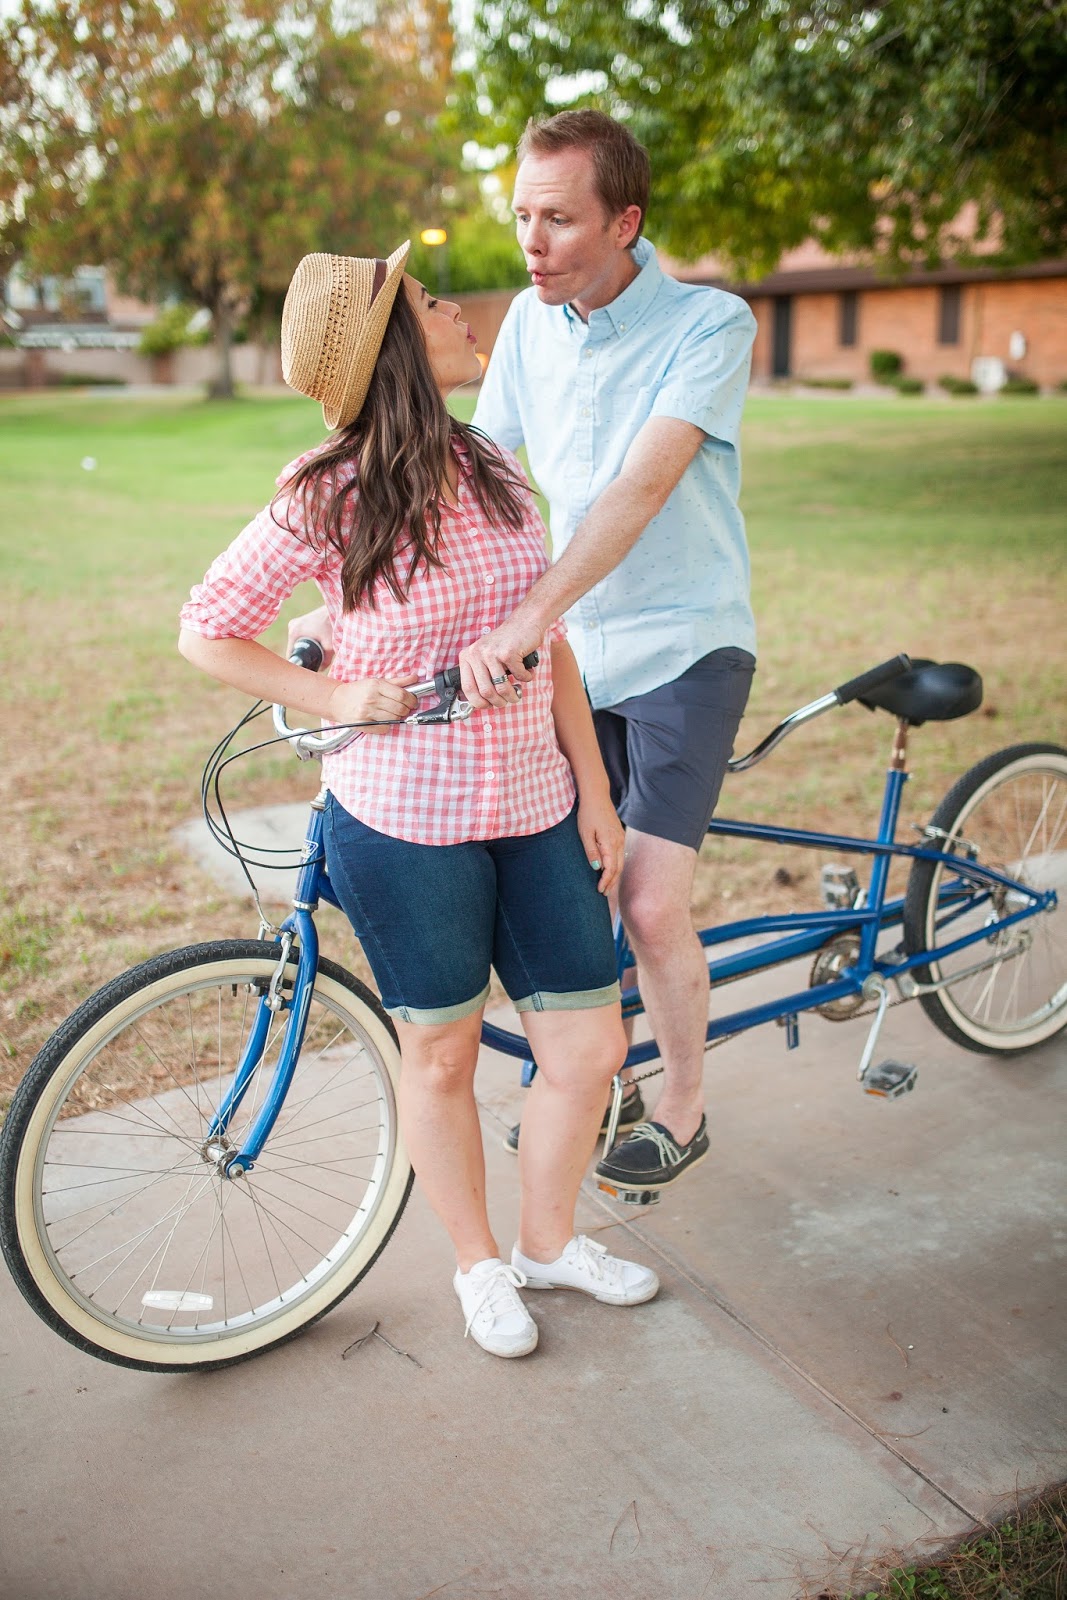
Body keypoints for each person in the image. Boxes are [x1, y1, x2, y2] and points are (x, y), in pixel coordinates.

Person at [178, 243, 659, 1360]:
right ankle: (478, 1264)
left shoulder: (491, 462)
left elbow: (551, 640)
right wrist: (334, 686)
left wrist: (594, 788)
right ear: (397, 337)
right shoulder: (324, 492)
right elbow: (207, 628)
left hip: (537, 802)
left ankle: (547, 1240)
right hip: (403, 821)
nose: (455, 307)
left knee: (585, 1047)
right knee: (439, 1057)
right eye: (428, 298)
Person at [288, 108, 758, 1194]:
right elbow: (465, 464)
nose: (530, 245)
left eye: (556, 220)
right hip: (568, 651)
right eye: (519, 218)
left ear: (624, 219)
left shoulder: (707, 325)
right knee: (570, 889)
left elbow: (639, 490)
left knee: (644, 898)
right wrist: (336, 599)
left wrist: (520, 620)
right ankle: (602, 1081)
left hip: (684, 641)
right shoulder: (531, 329)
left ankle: (679, 1106)